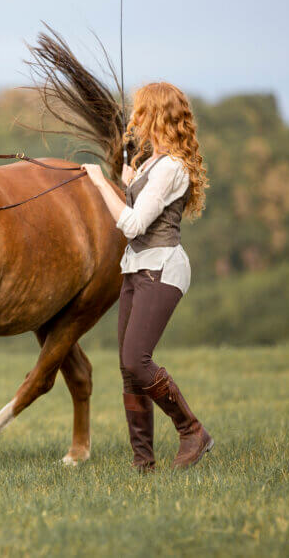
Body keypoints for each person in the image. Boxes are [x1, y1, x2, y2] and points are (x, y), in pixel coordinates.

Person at [81, 81, 213, 472]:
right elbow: (141, 203)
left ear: (154, 116)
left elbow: (134, 225)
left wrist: (100, 183)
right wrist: (127, 182)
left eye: (141, 112)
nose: (134, 120)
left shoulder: (171, 167)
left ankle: (192, 431)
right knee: (128, 369)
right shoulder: (153, 165)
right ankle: (143, 462)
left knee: (137, 360)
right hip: (136, 268)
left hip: (162, 267)